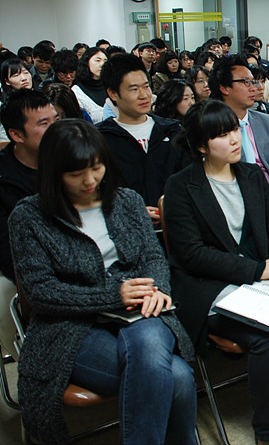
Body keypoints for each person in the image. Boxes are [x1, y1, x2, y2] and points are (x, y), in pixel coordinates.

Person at [9, 119, 196, 445]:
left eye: (96, 168)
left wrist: (157, 290)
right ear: (54, 172)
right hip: (70, 327)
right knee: (177, 377)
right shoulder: (29, 217)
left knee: (155, 351)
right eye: (75, 173)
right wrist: (113, 295)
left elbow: (153, 257)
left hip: (137, 310)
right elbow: (41, 292)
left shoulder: (126, 201)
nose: (90, 180)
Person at [164, 100, 269, 445]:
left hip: (267, 280)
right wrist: (259, 269)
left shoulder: (253, 175)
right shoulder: (181, 187)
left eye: (234, 130)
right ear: (200, 146)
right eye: (222, 135)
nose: (234, 139)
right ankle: (267, 432)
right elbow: (193, 255)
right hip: (214, 287)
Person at [0, 91, 59, 372]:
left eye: (56, 120)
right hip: (23, 264)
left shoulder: (70, 158)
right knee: (3, 293)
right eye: (43, 124)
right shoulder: (4, 177)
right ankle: (37, 368)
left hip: (74, 254)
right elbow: (5, 246)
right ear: (17, 135)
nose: (55, 129)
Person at [97, 54, 187, 225]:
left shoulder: (173, 131)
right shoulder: (101, 139)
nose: (144, 95)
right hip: (126, 229)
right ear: (113, 93)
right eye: (133, 89)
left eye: (146, 87)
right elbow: (99, 191)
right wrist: (132, 210)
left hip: (175, 225)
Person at [210, 55, 269, 210]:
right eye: (245, 82)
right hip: (235, 200)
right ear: (224, 88)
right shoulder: (214, 127)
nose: (254, 87)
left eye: (254, 81)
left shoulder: (267, 121)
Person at [72, 46, 108, 123]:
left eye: (105, 61)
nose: (102, 64)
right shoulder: (77, 92)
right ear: (87, 61)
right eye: (98, 60)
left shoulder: (112, 87)